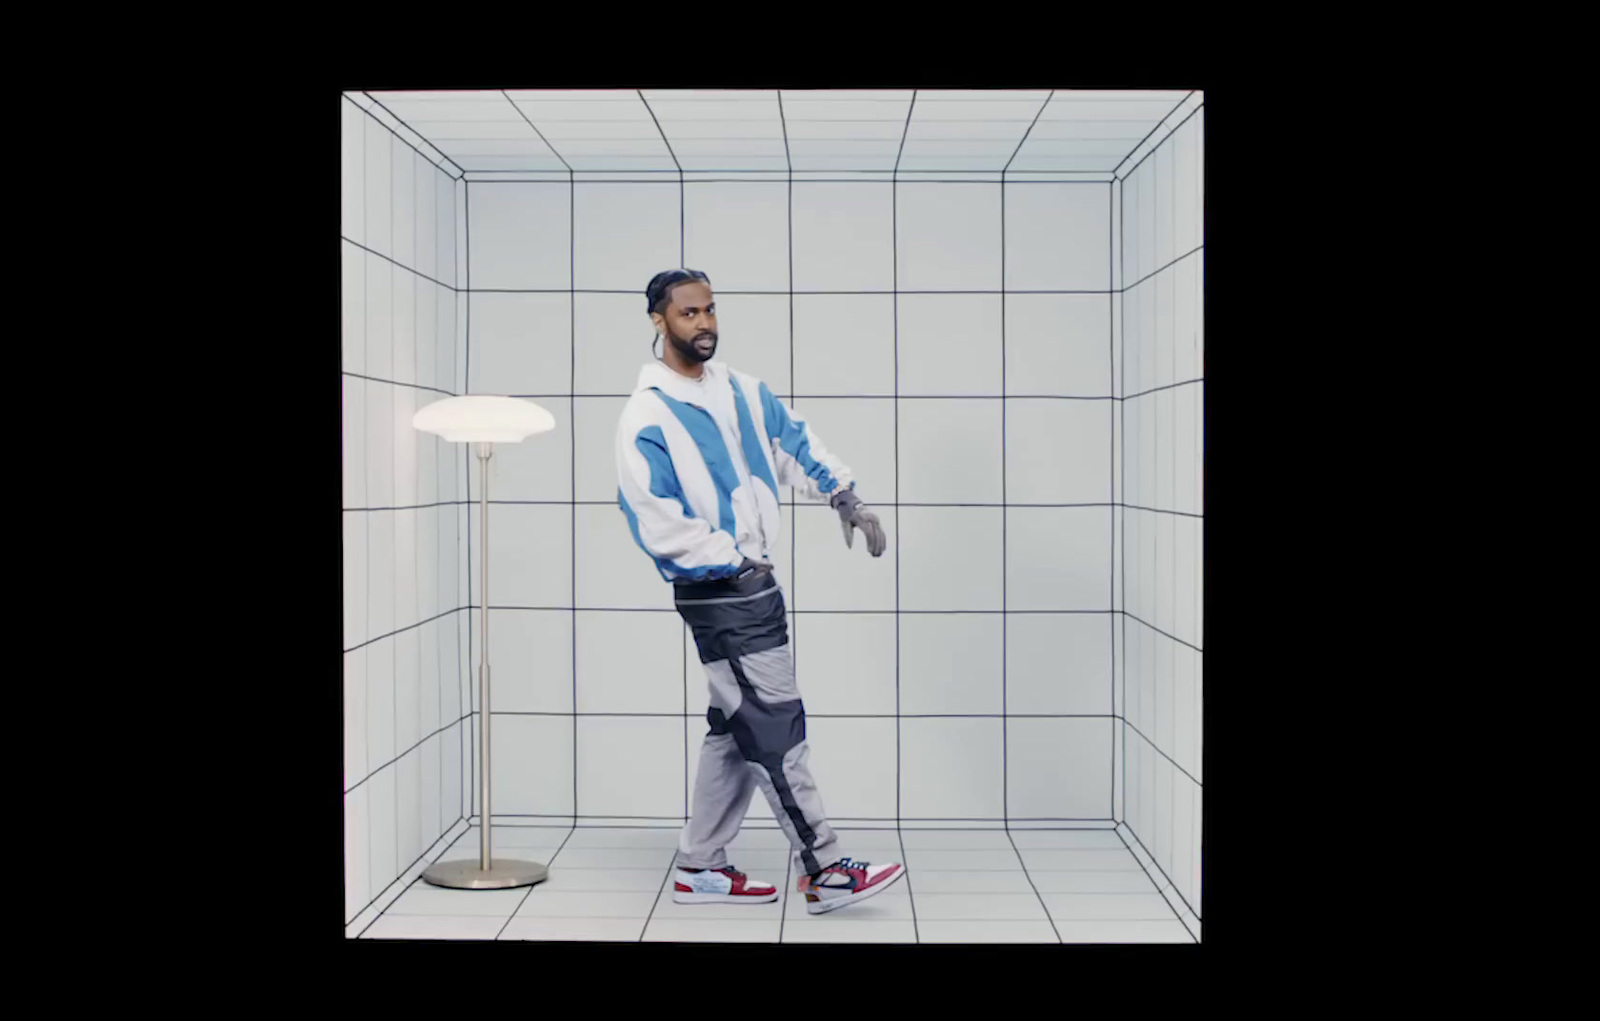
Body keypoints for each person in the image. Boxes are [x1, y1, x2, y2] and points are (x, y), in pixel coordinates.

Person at [614, 268, 907, 916]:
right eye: (689, 313)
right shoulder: (648, 414)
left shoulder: (742, 391)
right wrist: (734, 561)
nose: (705, 323)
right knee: (774, 725)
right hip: (722, 591)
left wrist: (845, 495)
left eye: (711, 309)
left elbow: (792, 442)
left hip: (752, 582)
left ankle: (700, 865)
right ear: (660, 321)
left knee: (735, 724)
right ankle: (827, 866)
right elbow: (654, 515)